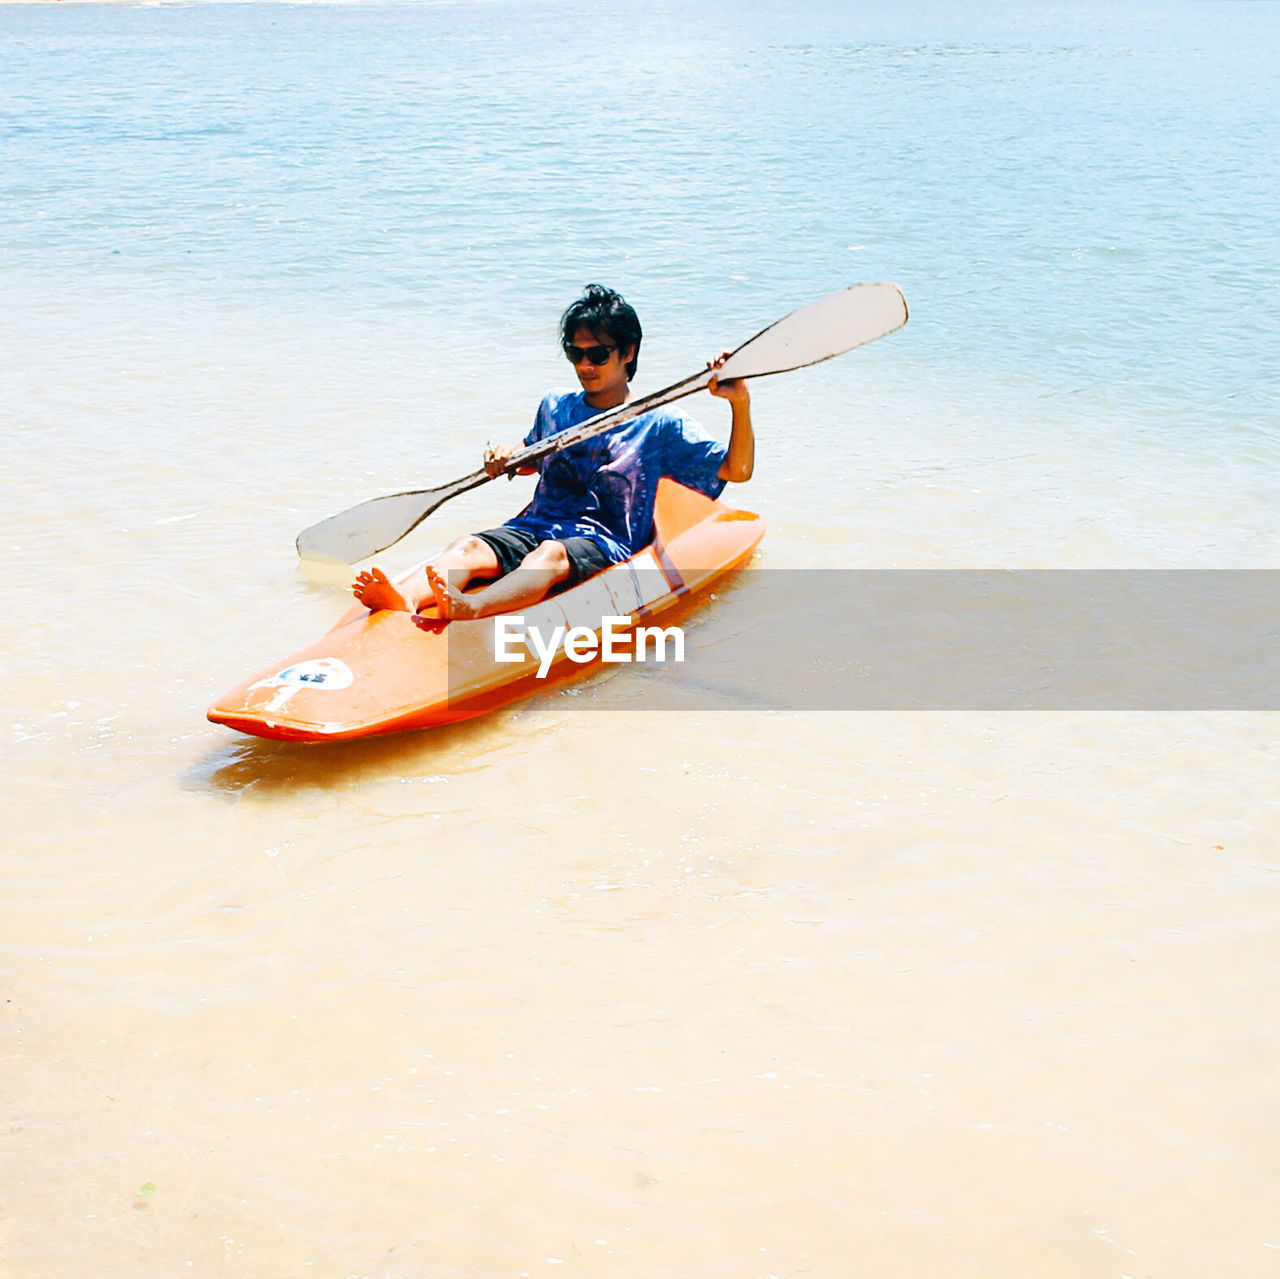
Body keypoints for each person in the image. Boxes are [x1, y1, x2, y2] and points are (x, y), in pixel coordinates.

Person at [351, 284, 754, 624]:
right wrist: (505, 456)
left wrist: (739, 403)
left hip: (604, 542)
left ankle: (473, 608)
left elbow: (738, 471)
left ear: (628, 352)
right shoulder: (556, 405)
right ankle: (404, 599)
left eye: (597, 355)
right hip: (536, 523)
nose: (584, 365)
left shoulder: (660, 422)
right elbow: (531, 459)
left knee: (551, 555)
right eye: (574, 353)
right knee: (467, 546)